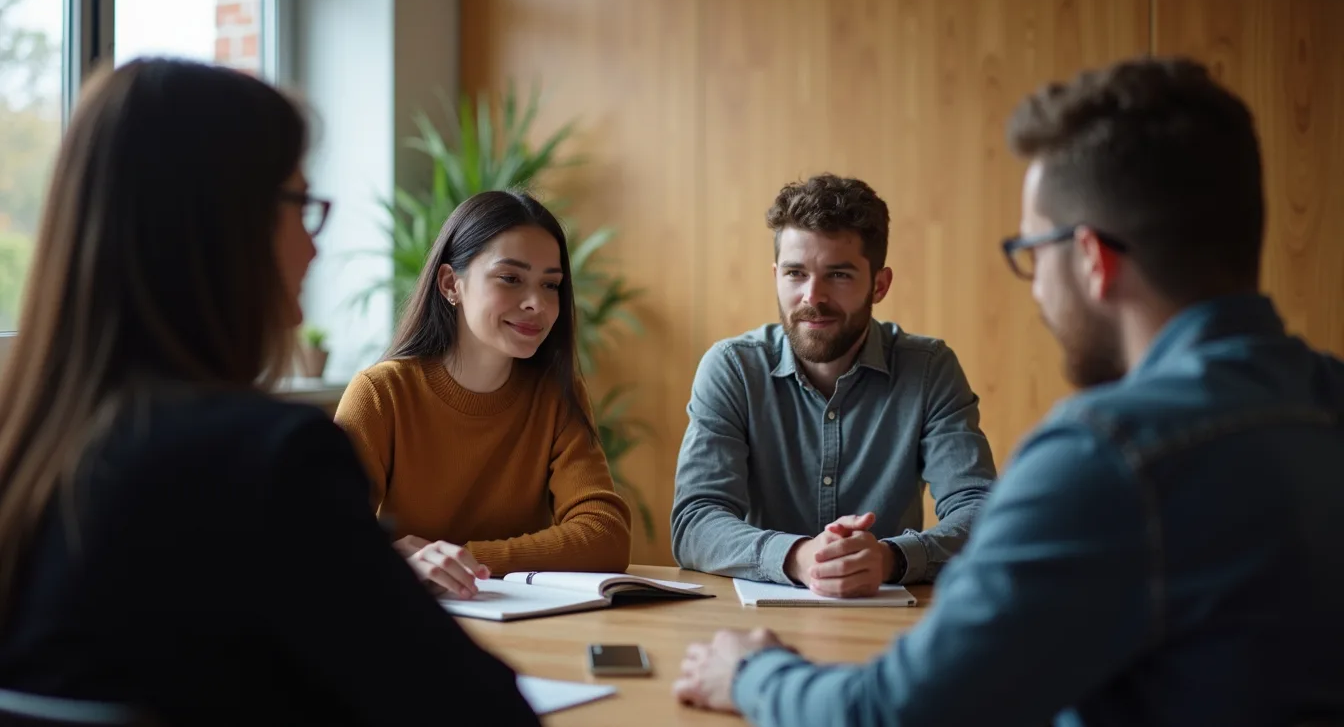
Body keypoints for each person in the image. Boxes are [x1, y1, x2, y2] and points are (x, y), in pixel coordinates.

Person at [672, 57, 1344, 726]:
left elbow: (890, 713)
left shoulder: (1103, 456)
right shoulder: (1326, 398)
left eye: (1031, 252)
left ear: (1090, 259)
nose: (1038, 288)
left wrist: (751, 672)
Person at [0, 59, 540, 726]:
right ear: (222, 223)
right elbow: (481, 713)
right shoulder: (269, 461)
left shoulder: (26, 449)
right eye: (300, 206)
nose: (314, 249)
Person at [671, 173, 997, 596]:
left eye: (838, 275)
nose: (812, 296)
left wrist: (891, 558)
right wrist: (797, 556)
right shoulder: (732, 368)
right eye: (795, 273)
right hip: (750, 622)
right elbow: (695, 521)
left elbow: (981, 512)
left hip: (885, 624)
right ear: (776, 276)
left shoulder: (929, 369)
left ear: (879, 285)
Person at [335, 190, 632, 599]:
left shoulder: (557, 396)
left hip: (524, 619)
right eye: (510, 278)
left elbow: (605, 535)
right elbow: (326, 539)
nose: (537, 304)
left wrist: (462, 561)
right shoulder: (381, 393)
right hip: (410, 620)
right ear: (450, 284)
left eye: (551, 285)